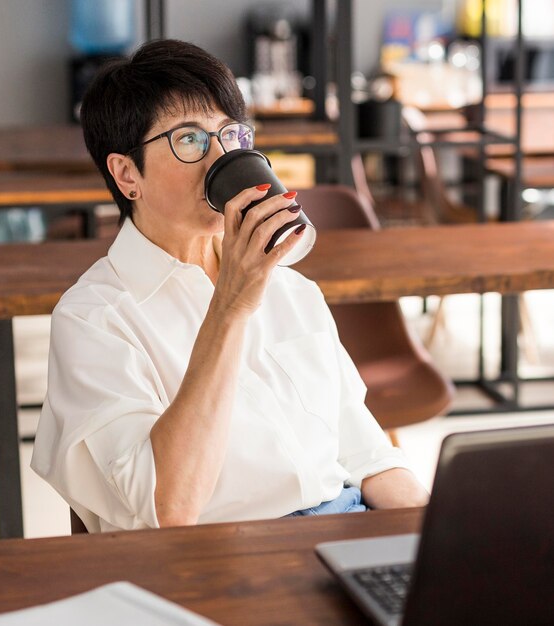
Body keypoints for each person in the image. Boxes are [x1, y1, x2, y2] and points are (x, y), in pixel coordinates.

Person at [31, 39, 429, 532]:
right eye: (190, 139)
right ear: (127, 173)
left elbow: (369, 457)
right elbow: (168, 508)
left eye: (231, 135)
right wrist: (231, 308)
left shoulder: (290, 289)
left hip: (339, 531)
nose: (220, 156)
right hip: (219, 562)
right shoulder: (95, 319)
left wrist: (437, 536)